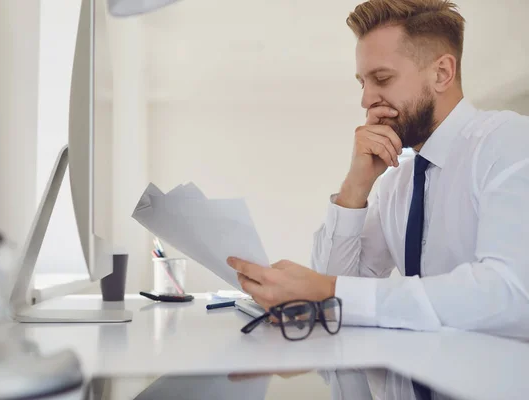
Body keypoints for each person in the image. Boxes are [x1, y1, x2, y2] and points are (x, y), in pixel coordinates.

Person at [227, 0, 529, 341]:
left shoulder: (509, 144)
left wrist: (329, 290)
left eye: (381, 78)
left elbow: (511, 295)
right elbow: (336, 302)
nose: (366, 99)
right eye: (362, 83)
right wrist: (355, 187)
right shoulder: (397, 179)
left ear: (442, 73)